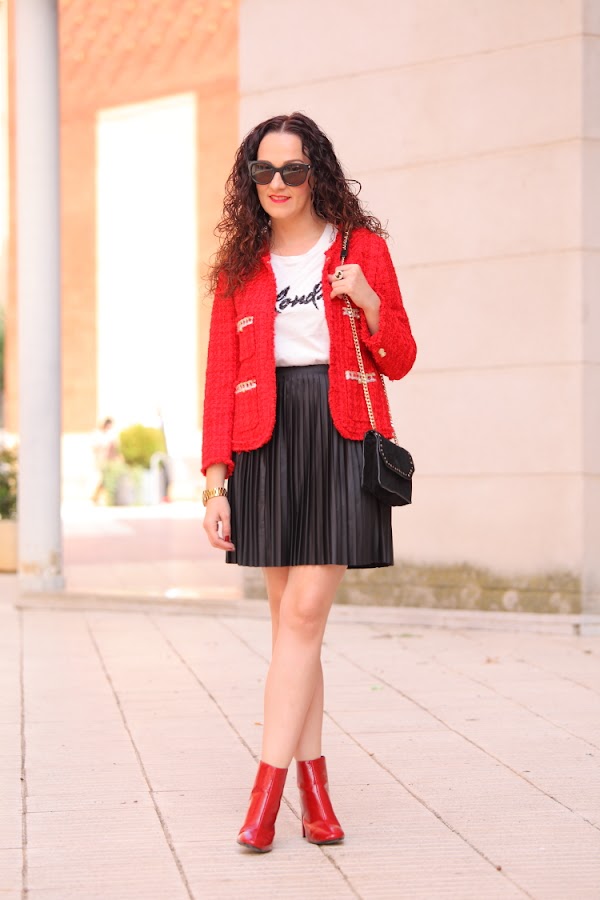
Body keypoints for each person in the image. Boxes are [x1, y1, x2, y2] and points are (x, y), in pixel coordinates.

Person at [202, 112, 416, 852]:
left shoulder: (361, 250)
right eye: (264, 171)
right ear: (249, 180)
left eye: (293, 169)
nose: (278, 183)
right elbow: (220, 378)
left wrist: (369, 301)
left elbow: (400, 357)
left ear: (316, 172)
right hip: (263, 441)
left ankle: (264, 799)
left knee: (301, 617)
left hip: (340, 431)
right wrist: (215, 483)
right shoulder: (240, 266)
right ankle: (315, 794)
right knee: (293, 628)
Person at [91, 417, 119, 504]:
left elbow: (114, 446)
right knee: (102, 478)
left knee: (106, 479)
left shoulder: (110, 434)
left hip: (108, 460)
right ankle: (96, 497)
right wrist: (102, 449)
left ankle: (97, 497)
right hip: (100, 460)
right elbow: (94, 447)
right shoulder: (97, 434)